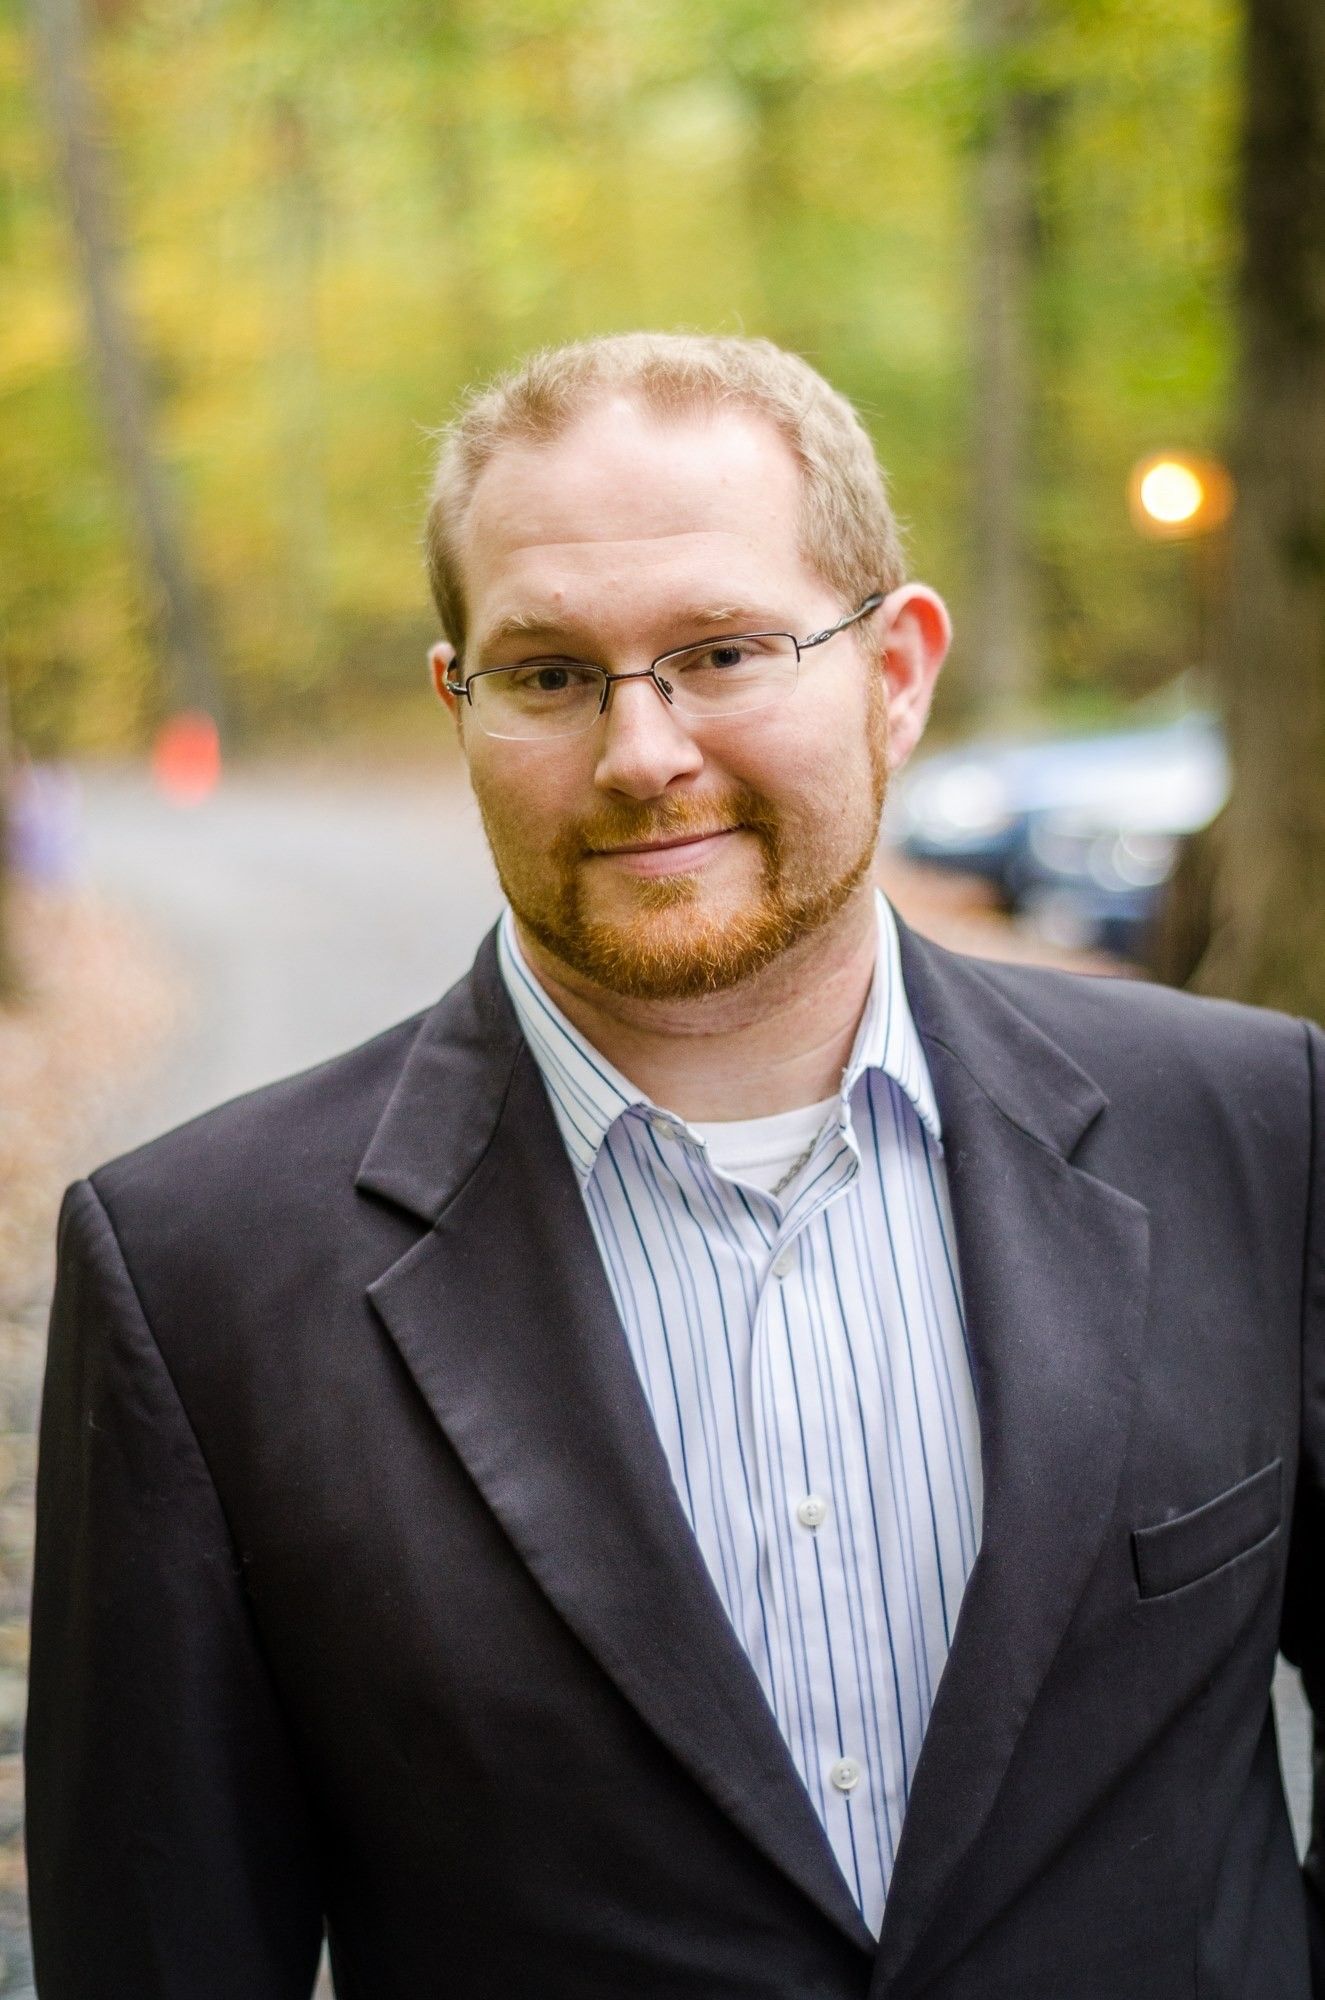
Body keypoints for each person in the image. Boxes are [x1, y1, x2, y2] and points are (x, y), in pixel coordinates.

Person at [25, 332, 1323, 2000]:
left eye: (721, 651)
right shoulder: (196, 1271)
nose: (640, 753)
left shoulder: (1254, 1128)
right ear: (460, 702)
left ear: (896, 672)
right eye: (550, 674)